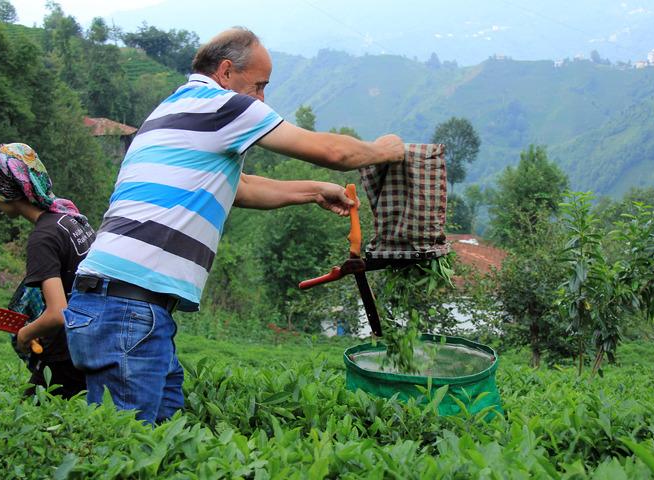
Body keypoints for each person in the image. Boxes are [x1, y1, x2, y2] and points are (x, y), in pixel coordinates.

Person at [64, 27, 405, 424]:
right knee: (127, 450)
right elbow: (334, 151)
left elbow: (238, 187)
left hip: (118, 306)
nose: (262, 99)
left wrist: (313, 191)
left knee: (159, 441)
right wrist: (387, 151)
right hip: (128, 309)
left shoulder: (170, 109)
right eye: (259, 86)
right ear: (226, 72)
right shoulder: (223, 105)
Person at [0, 143, 96, 398]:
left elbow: (58, 313)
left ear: (5, 193)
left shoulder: (43, 237)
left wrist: (25, 334)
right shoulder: (70, 220)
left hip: (66, 354)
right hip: (92, 341)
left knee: (33, 421)